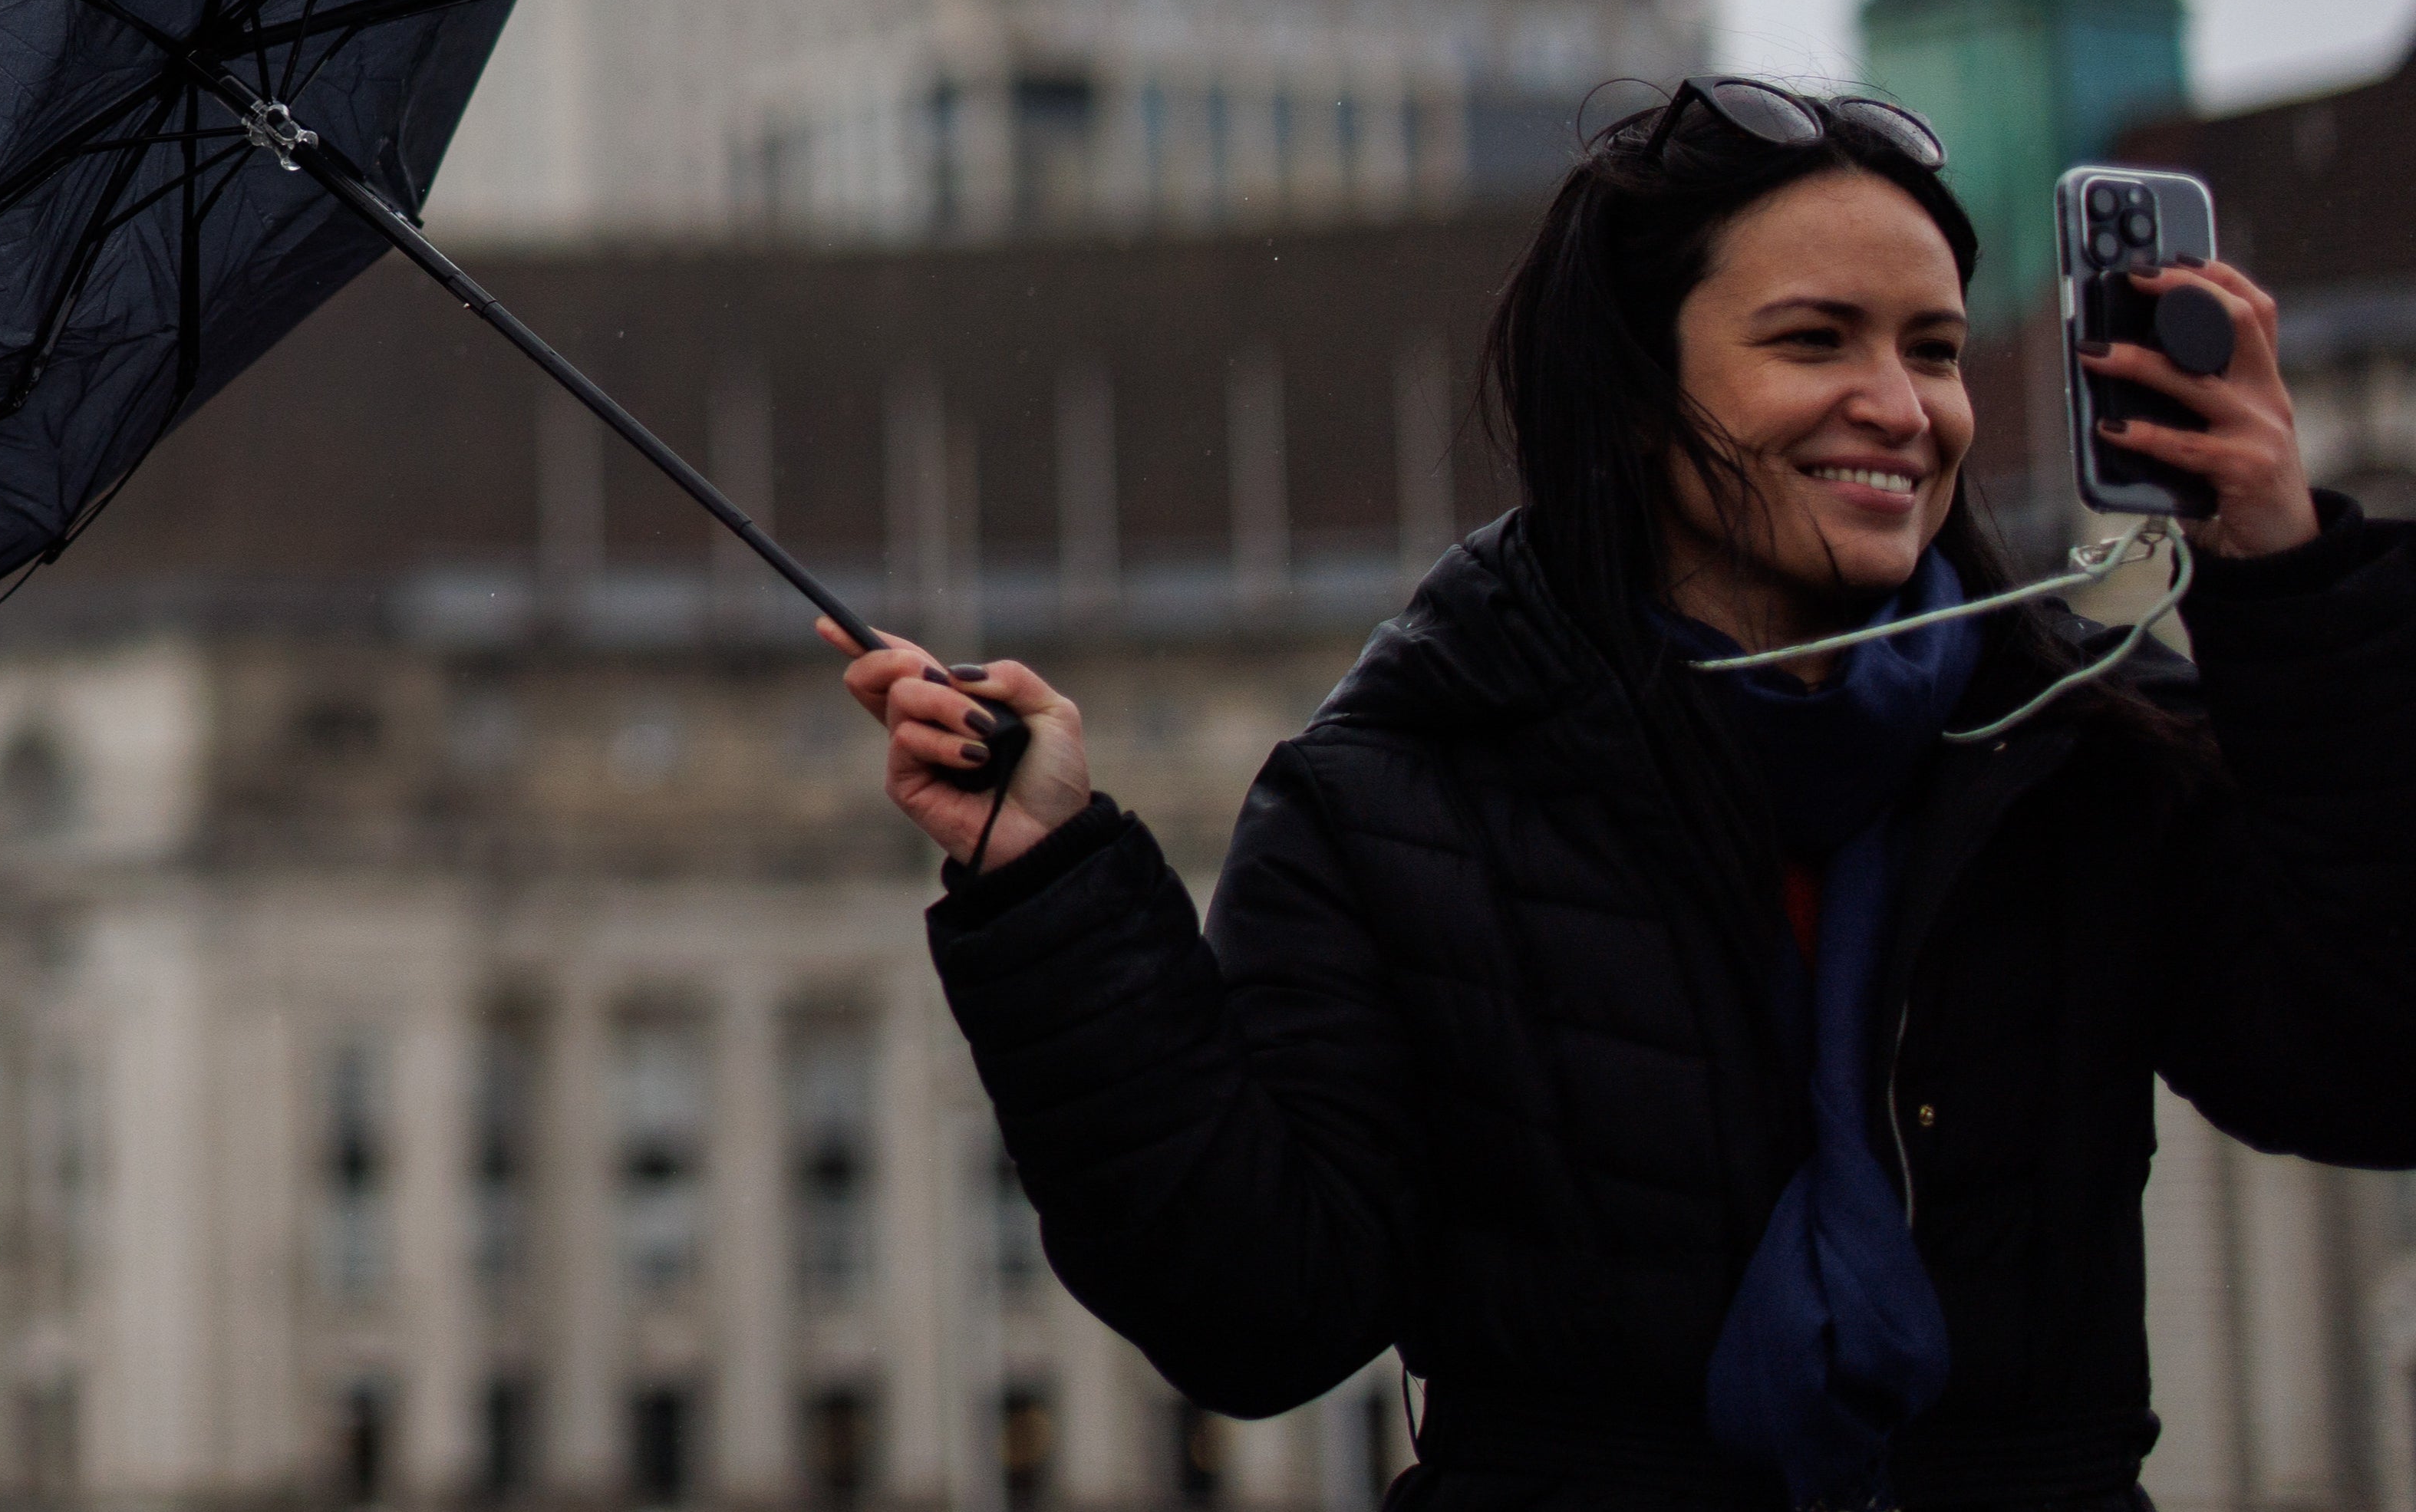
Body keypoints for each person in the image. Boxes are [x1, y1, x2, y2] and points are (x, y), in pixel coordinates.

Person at [842, 78, 2416, 1512]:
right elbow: (1258, 1307)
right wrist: (1051, 887)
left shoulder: (2079, 750)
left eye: (1932, 347)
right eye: (1816, 339)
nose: (1903, 402)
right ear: (1637, 387)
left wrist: (2290, 584)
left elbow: (2363, 1064)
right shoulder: (1398, 794)